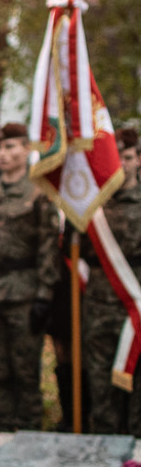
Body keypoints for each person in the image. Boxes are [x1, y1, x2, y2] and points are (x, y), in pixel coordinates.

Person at [0, 122, 60, 432]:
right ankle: (3, 433)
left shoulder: (38, 194)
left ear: (26, 149)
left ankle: (30, 431)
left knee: (25, 370)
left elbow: (48, 247)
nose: (3, 154)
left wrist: (45, 294)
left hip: (24, 291)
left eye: (11, 147)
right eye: (0, 148)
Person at [82, 127, 141, 434]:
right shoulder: (91, 205)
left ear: (139, 160)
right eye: (115, 156)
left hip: (137, 306)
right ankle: (103, 446)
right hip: (100, 304)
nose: (121, 162)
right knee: (100, 382)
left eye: (128, 156)